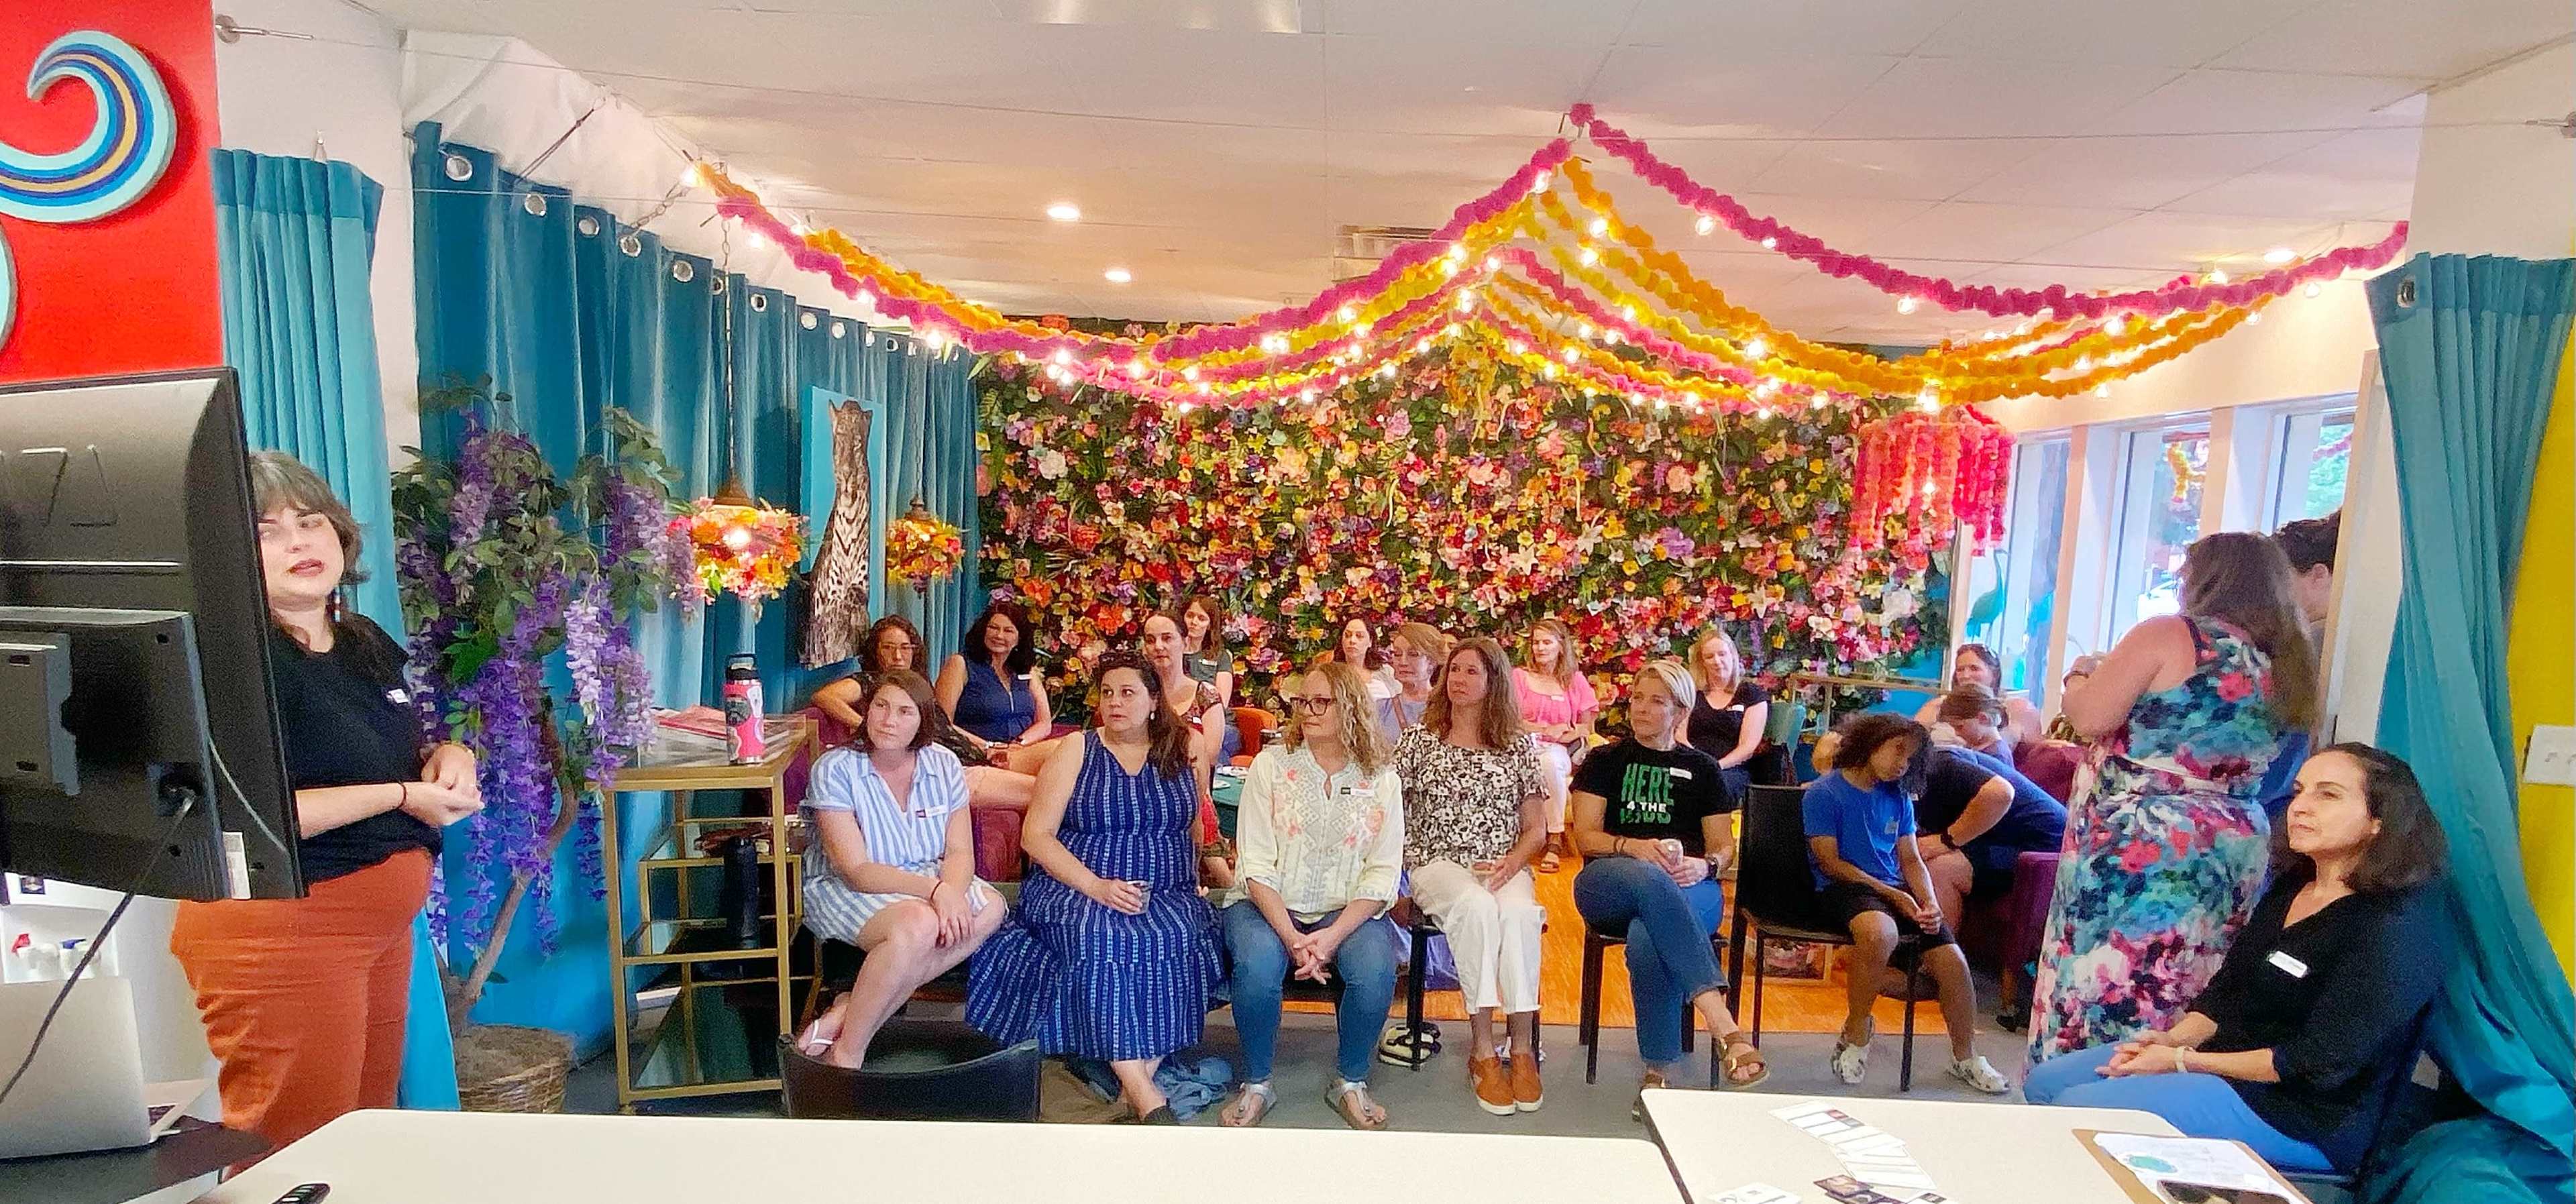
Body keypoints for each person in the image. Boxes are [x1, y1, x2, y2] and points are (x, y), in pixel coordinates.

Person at [168, 452, 484, 1154]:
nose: (299, 544)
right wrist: (404, 794)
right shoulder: (230, 659)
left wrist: (452, 754)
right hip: (285, 927)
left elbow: (396, 744)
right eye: (267, 530)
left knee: (356, 1139)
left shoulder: (361, 640)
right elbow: (246, 815)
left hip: (378, 927)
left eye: (311, 523)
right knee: (291, 1148)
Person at [2025, 745, 2449, 1178]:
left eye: (2328, 795)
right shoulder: (2292, 888)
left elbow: (2312, 1064)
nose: (2301, 806)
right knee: (2044, 1083)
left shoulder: (2393, 929)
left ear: (2379, 821)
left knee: (2074, 1110)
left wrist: (2183, 1062)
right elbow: (2227, 991)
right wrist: (2170, 1041)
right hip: (2221, 1066)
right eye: (2300, 790)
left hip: (2303, 1117)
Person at [2031, 531, 2318, 1064]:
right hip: (2233, 839)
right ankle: (2171, 1082)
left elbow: (2090, 716)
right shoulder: (2286, 658)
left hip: (2148, 835)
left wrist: (2080, 674)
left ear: (2206, 579)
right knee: (2192, 975)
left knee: (2115, 971)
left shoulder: (2171, 634)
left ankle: (2088, 1086)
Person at [966, 652, 1224, 1122]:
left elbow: (1195, 828)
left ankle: (1134, 1084)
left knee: (1176, 935)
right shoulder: (1077, 749)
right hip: (1076, 885)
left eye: (1127, 692)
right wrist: (1096, 885)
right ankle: (1149, 1100)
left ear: (1153, 700)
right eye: (1107, 692)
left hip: (1165, 886)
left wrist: (1198, 880)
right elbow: (1036, 834)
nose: (1115, 702)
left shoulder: (1186, 746)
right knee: (1101, 935)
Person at [1569, 659, 1768, 1113]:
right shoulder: (1605, 760)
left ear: (1680, 711)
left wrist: (1705, 865)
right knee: (1648, 877)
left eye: (1656, 701)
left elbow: (1723, 847)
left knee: (1647, 937)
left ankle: (1658, 1074)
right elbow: (1586, 837)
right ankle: (1724, 1025)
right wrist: (1633, 846)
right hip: (1611, 879)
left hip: (1688, 885)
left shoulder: (1702, 768)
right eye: (1637, 698)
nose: (1641, 708)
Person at [1220, 661, 1406, 1130]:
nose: (1308, 710)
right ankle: (1257, 1082)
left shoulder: (1381, 777)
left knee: (1375, 968)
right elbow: (1255, 863)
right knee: (1259, 965)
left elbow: (1383, 871)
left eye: (1321, 702)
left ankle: (1350, 1080)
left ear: (1351, 709)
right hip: (1266, 905)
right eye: (1303, 701)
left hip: (1348, 911)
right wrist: (1291, 934)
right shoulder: (1272, 765)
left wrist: (1330, 936)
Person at [795, 669, 1008, 1068]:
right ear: (867, 710)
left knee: (992, 907)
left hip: (928, 875)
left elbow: (960, 851)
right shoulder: (836, 768)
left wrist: (953, 891)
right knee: (919, 925)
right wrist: (935, 892)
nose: (890, 720)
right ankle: (849, 1052)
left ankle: (849, 1009)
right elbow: (855, 869)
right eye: (881, 707)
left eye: (905, 712)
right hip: (852, 885)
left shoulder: (943, 764)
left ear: (923, 720)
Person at [1801, 713, 2011, 1093]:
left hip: (1894, 887)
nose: (1903, 763)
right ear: (1870, 744)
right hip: (1846, 886)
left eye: (1911, 758)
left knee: (1952, 961)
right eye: (1898, 751)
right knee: (1880, 933)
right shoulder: (1824, 792)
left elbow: (1911, 859)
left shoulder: (1898, 797)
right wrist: (1891, 894)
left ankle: (1966, 1057)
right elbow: (1830, 863)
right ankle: (1856, 1031)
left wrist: (1929, 902)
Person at [1393, 637, 1550, 1116]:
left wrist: (1512, 862)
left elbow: (1537, 828)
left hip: (1502, 864)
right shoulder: (1419, 741)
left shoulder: (1518, 745)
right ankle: (1482, 1049)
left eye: (1471, 672)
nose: (1458, 680)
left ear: (1494, 682)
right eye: (1454, 670)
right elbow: (1390, 815)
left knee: (1522, 914)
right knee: (1476, 907)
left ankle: (1520, 1046)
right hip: (1438, 862)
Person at [1512, 618, 1597, 872]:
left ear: (1561, 647)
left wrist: (1572, 732)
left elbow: (1587, 725)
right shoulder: (1520, 677)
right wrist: (1544, 729)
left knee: (1550, 763)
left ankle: (1555, 838)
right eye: (1536, 642)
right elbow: (1511, 720)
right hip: (1523, 743)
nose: (1540, 648)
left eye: (1546, 642)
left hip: (1558, 748)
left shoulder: (1574, 680)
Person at [936, 602, 1052, 754]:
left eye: (1008, 631)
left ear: (1019, 639)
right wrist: (989, 747)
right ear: (983, 630)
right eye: (993, 628)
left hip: (1019, 752)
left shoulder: (1026, 671)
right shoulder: (960, 664)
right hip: (974, 753)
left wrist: (1018, 744)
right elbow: (942, 723)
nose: (999, 635)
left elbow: (1044, 723)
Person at [1683, 628, 1770, 803]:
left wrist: (1715, 767)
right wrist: (1697, 763)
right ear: (1702, 663)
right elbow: (1680, 735)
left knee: (1713, 786)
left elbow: (1747, 747)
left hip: (1732, 770)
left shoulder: (1750, 694)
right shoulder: (1692, 694)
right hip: (1692, 764)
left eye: (1722, 654)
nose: (1717, 661)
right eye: (1710, 657)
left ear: (1733, 656)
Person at [1913, 643, 2042, 754]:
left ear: (1994, 674)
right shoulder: (1937, 705)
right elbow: (1914, 740)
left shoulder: (2016, 707)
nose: (1966, 676)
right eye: (1960, 670)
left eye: (1974, 669)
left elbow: (2035, 751)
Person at [810, 614, 924, 733]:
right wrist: (866, 727)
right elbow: (824, 697)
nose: (897, 656)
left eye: (905, 648)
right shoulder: (868, 681)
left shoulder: (919, 683)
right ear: (875, 652)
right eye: (887, 648)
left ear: (914, 652)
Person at [1179, 593, 1240, 763]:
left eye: (1201, 618)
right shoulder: (1172, 653)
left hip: (1220, 724)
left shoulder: (1220, 657)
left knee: (1211, 740)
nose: (1194, 622)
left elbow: (1221, 703)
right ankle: (1213, 785)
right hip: (1182, 724)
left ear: (1209, 625)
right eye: (1190, 616)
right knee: (1216, 753)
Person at [1375, 622, 1447, 743]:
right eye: (1397, 654)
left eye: (1413, 655)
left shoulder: (1447, 708)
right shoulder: (1380, 709)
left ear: (1432, 661)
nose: (1403, 662)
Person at [1931, 685, 2012, 761]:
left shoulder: (1997, 756)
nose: (1956, 734)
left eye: (1960, 727)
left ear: (1983, 719)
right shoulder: (1976, 748)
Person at [1330, 615, 1399, 700]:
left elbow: (1403, 702)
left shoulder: (1386, 672)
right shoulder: (1332, 675)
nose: (1352, 640)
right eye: (1347, 635)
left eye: (1359, 636)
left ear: (1370, 641)